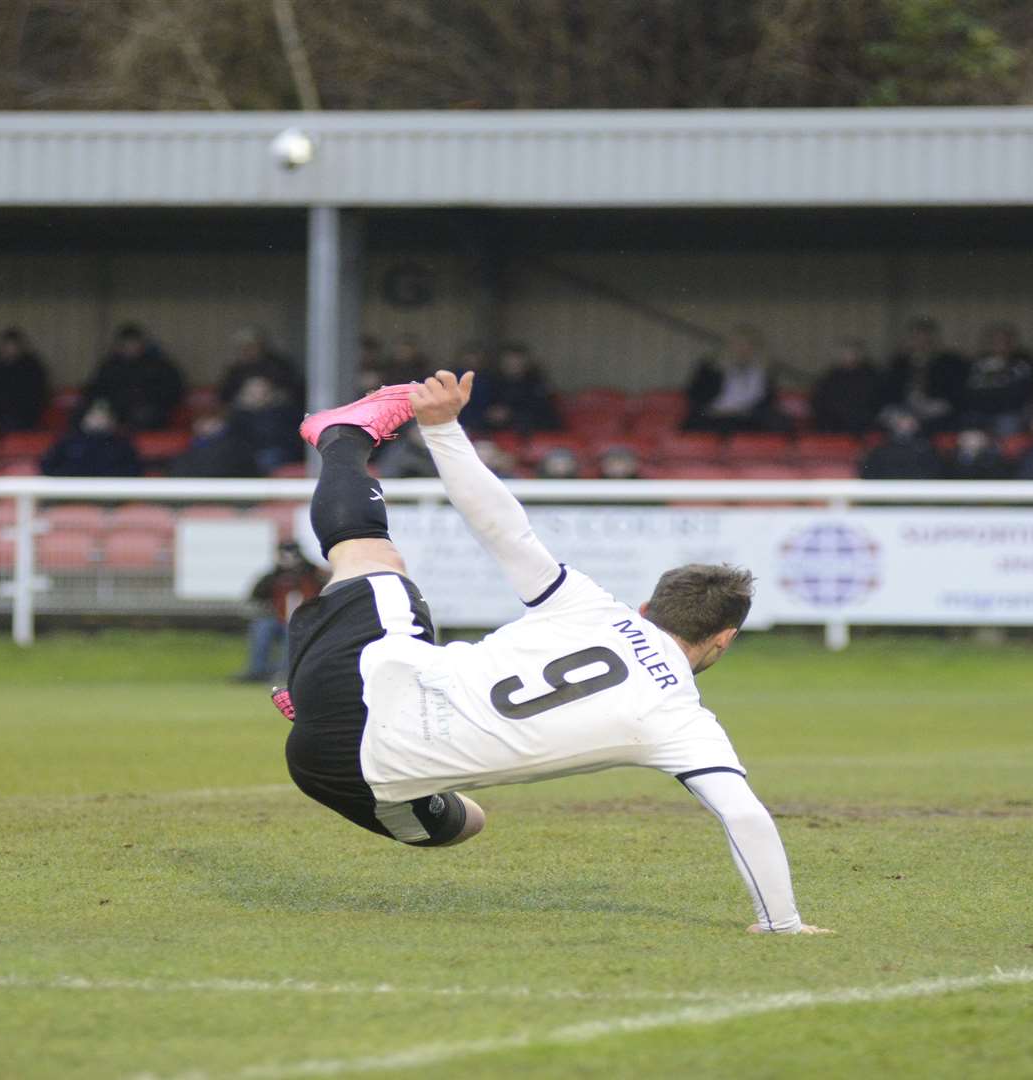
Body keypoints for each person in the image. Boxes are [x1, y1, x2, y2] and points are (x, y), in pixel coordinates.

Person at [275, 372, 826, 934]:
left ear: (643, 608)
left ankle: (343, 439)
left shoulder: (592, 606)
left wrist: (442, 429)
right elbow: (741, 813)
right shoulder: (681, 719)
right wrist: (781, 922)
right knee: (467, 821)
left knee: (369, 558)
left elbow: (502, 528)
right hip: (338, 768)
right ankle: (316, 701)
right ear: (723, 640)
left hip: (355, 676)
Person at [235, 542, 327, 683]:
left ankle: (286, 672)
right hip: (278, 618)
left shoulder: (311, 573)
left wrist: (303, 568)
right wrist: (278, 572)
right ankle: (257, 670)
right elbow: (257, 594)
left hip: (304, 619)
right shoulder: (274, 576)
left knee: (291, 633)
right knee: (262, 628)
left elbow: (323, 590)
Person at [82, 324, 184, 431]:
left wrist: (153, 402)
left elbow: (174, 390)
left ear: (142, 344)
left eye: (133, 343)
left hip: (149, 412)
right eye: (126, 344)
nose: (130, 347)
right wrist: (101, 407)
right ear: (119, 345)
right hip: (115, 411)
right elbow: (95, 390)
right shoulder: (110, 366)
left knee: (145, 416)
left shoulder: (159, 365)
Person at [683, 326, 785, 433]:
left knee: (779, 423)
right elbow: (694, 395)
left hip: (748, 417)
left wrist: (746, 412)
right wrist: (713, 410)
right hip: (714, 415)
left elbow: (768, 400)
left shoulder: (764, 371)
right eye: (738, 344)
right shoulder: (709, 367)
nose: (743, 349)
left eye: (749, 345)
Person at [887, 316, 967, 435]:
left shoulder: (950, 361)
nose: (921, 343)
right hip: (905, 407)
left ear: (934, 340)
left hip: (935, 406)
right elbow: (890, 390)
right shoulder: (899, 362)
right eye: (916, 338)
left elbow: (955, 391)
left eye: (925, 339)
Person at [959, 322, 1033, 436]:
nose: (1000, 344)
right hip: (978, 411)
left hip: (1010, 412)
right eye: (995, 340)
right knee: (967, 423)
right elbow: (968, 390)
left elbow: (1025, 391)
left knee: (1008, 425)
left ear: (1012, 343)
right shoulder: (976, 363)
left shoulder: (1023, 362)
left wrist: (1004, 369)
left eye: (1005, 340)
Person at [467, 343, 561, 435]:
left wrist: (511, 415)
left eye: (517, 362)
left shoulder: (537, 385)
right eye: (508, 362)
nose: (512, 366)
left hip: (529, 434)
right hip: (495, 434)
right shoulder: (492, 382)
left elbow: (543, 414)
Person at [40, 399, 143, 477]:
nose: (98, 420)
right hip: (70, 494)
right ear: (84, 419)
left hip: (112, 496)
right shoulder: (67, 442)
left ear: (112, 420)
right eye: (94, 416)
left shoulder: (122, 444)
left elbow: (134, 470)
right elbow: (48, 467)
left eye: (103, 416)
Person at [808, 338, 887, 434]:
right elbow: (819, 396)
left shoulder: (870, 375)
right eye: (843, 353)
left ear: (859, 355)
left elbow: (872, 401)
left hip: (857, 422)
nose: (846, 356)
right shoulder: (832, 375)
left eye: (850, 353)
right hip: (831, 420)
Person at [216, 326, 301, 411]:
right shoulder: (235, 369)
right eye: (242, 347)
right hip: (243, 412)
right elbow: (225, 396)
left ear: (260, 346)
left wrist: (270, 396)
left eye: (250, 346)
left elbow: (292, 391)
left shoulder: (278, 365)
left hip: (275, 411)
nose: (246, 350)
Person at [858, 409, 944, 480]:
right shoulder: (880, 451)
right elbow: (871, 476)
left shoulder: (926, 450)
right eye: (900, 423)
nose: (904, 426)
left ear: (916, 424)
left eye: (908, 422)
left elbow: (933, 475)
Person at [943, 427, 1013, 480]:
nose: (971, 442)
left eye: (975, 438)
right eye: (968, 438)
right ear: (959, 439)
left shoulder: (994, 461)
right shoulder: (949, 459)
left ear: (984, 440)